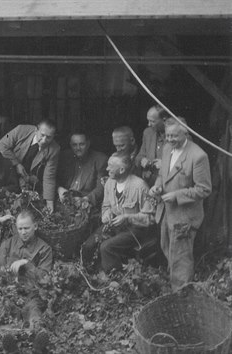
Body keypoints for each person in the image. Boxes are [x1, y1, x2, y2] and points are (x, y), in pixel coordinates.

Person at [150, 117, 211, 291]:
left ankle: (182, 296)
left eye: (174, 136)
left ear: (186, 132)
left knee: (181, 259)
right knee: (168, 250)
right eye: (167, 136)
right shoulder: (167, 149)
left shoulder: (198, 156)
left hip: (184, 217)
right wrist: (157, 186)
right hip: (167, 213)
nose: (169, 140)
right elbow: (163, 175)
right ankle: (176, 288)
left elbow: (204, 189)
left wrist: (177, 195)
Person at [81, 152, 155, 272]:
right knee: (88, 245)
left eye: (110, 166)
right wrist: (106, 215)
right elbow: (106, 206)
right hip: (115, 224)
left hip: (135, 229)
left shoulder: (140, 186)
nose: (107, 168)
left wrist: (127, 218)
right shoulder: (110, 183)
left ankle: (113, 281)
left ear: (121, 169)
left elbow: (150, 218)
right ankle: (91, 274)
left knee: (106, 247)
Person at [0, 120, 60, 212]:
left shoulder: (54, 149)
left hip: (26, 180)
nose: (44, 141)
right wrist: (16, 164)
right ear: (36, 130)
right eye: (42, 135)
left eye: (49, 137)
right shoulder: (21, 129)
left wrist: (49, 202)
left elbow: (49, 177)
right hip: (7, 171)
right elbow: (3, 144)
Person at [0, 210, 53, 278]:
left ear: (35, 226)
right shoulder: (7, 245)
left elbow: (45, 277)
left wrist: (27, 264)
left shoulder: (44, 249)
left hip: (33, 287)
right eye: (20, 229)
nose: (23, 232)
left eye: (26, 228)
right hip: (8, 286)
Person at [56, 132, 107, 209]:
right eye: (74, 145)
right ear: (70, 144)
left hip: (86, 202)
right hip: (64, 199)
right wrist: (59, 189)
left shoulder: (100, 159)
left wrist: (86, 199)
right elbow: (53, 177)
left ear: (88, 144)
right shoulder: (64, 156)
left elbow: (101, 187)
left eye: (82, 144)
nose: (78, 148)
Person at [136, 105, 169, 186]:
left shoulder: (177, 136)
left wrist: (165, 164)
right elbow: (139, 157)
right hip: (149, 183)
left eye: (152, 121)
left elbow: (185, 166)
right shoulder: (148, 133)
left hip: (167, 184)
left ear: (164, 120)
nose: (149, 124)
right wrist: (142, 160)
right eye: (148, 121)